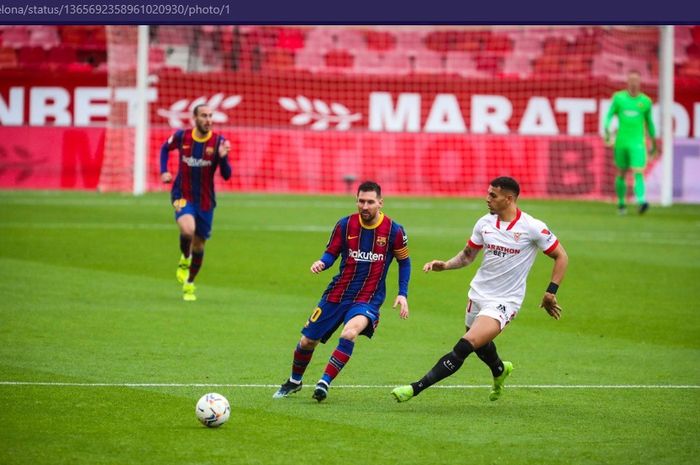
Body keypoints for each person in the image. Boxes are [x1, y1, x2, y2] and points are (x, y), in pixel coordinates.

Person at [391, 176, 568, 403]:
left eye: (493, 195)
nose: (487, 199)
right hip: (478, 295)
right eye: (488, 193)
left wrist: (551, 291)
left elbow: (561, 255)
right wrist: (445, 265)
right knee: (480, 345)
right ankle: (499, 369)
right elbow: (467, 255)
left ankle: (415, 388)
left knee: (465, 345)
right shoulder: (484, 223)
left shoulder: (532, 227)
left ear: (509, 198)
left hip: (505, 301)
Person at [273, 181, 411, 402]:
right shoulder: (344, 225)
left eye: (370, 202)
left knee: (349, 333)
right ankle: (294, 381)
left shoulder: (394, 230)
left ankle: (324, 382)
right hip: (337, 294)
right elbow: (331, 253)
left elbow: (404, 262)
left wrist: (402, 293)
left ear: (380, 203)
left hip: (368, 299)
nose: (365, 206)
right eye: (361, 201)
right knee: (307, 342)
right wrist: (322, 263)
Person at [160, 104, 231, 301]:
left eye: (210, 116)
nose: (208, 119)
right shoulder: (182, 136)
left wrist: (224, 159)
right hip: (182, 194)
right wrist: (164, 170)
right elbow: (165, 148)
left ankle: (189, 283)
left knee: (199, 244)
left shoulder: (219, 142)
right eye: (204, 116)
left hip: (206, 201)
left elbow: (227, 175)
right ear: (194, 118)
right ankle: (185, 258)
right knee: (187, 230)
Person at [603, 70, 658, 215]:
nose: (633, 83)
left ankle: (641, 201)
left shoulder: (645, 102)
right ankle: (621, 203)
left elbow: (649, 123)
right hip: (621, 141)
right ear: (627, 82)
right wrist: (607, 129)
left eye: (636, 81)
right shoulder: (619, 98)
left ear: (640, 83)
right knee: (621, 173)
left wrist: (653, 142)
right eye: (631, 80)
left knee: (638, 171)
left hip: (638, 142)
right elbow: (609, 116)